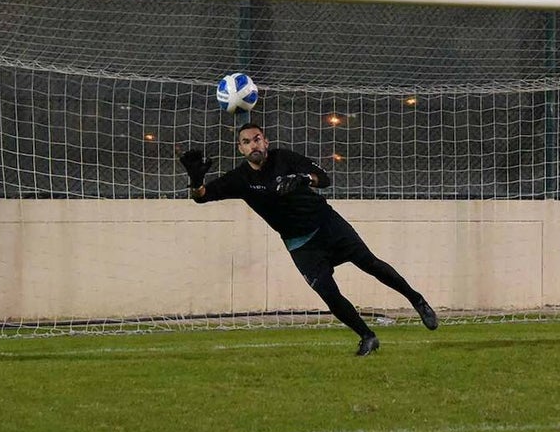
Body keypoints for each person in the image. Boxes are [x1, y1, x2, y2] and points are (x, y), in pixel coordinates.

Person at [180, 122, 438, 356]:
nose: (253, 145)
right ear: (240, 149)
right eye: (246, 142)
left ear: (266, 142)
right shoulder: (240, 179)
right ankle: (367, 336)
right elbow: (201, 196)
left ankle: (417, 300)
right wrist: (195, 179)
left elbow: (323, 178)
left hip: (327, 225)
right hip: (300, 244)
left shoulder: (284, 158)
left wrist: (303, 178)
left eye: (257, 139)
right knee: (329, 294)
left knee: (370, 264)